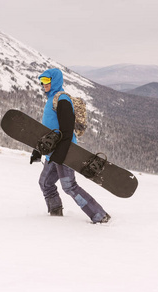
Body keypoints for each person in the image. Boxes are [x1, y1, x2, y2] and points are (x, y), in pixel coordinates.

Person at [30, 68, 111, 224]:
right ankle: (55, 213)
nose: (43, 84)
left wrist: (60, 155)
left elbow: (67, 131)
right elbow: (47, 129)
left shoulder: (63, 100)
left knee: (69, 186)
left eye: (47, 81)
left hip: (65, 152)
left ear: (55, 81)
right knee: (45, 183)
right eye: (42, 81)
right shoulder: (51, 99)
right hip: (52, 153)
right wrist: (38, 150)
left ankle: (99, 215)